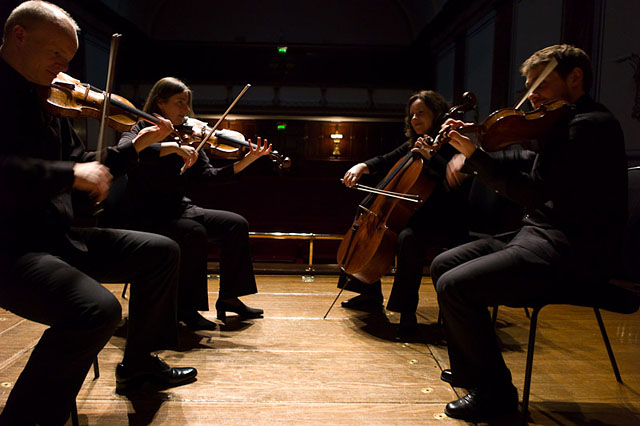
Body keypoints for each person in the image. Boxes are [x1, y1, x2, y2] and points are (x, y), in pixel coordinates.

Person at [0, 2, 198, 424]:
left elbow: (87, 164)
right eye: (56, 54)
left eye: (69, 60)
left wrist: (134, 146)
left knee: (162, 251)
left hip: (56, 239)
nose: (64, 68)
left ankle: (139, 366)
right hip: (10, 247)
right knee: (97, 310)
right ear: (19, 35)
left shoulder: (49, 103)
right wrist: (70, 173)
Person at [430, 44, 627, 422]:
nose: (532, 96)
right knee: (443, 264)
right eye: (529, 86)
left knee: (457, 286)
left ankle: (497, 394)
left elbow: (533, 190)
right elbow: (527, 158)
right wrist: (473, 152)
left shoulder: (591, 126)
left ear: (575, 78)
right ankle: (472, 368)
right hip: (539, 236)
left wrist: (477, 157)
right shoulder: (562, 123)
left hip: (573, 253)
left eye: (541, 84)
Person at [116, 77, 270, 330]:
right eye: (179, 103)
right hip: (148, 213)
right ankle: (186, 308)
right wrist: (172, 147)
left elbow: (209, 177)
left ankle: (230, 297)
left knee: (236, 224)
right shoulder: (141, 130)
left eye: (187, 104)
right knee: (194, 233)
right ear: (160, 103)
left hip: (179, 208)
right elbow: (128, 150)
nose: (186, 110)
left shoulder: (188, 136)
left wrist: (247, 161)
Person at [339, 90, 471, 334]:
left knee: (408, 238)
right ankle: (368, 293)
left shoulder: (454, 143)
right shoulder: (416, 143)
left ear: (437, 115)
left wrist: (432, 158)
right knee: (367, 212)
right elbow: (386, 158)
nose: (414, 119)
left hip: (445, 219)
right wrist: (363, 166)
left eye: (421, 113)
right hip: (417, 215)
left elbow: (453, 185)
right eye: (411, 115)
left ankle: (406, 311)